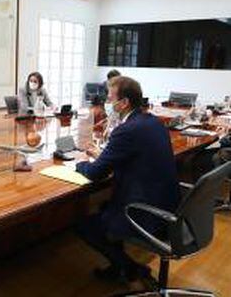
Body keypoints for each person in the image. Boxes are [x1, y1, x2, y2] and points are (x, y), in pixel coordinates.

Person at [75, 76, 180, 283]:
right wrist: (103, 155)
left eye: (110, 97)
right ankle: (120, 267)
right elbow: (133, 156)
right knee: (106, 207)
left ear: (124, 103)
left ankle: (128, 267)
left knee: (84, 225)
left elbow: (96, 173)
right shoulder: (153, 122)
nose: (107, 101)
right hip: (169, 207)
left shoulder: (126, 130)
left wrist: (80, 163)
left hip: (145, 212)